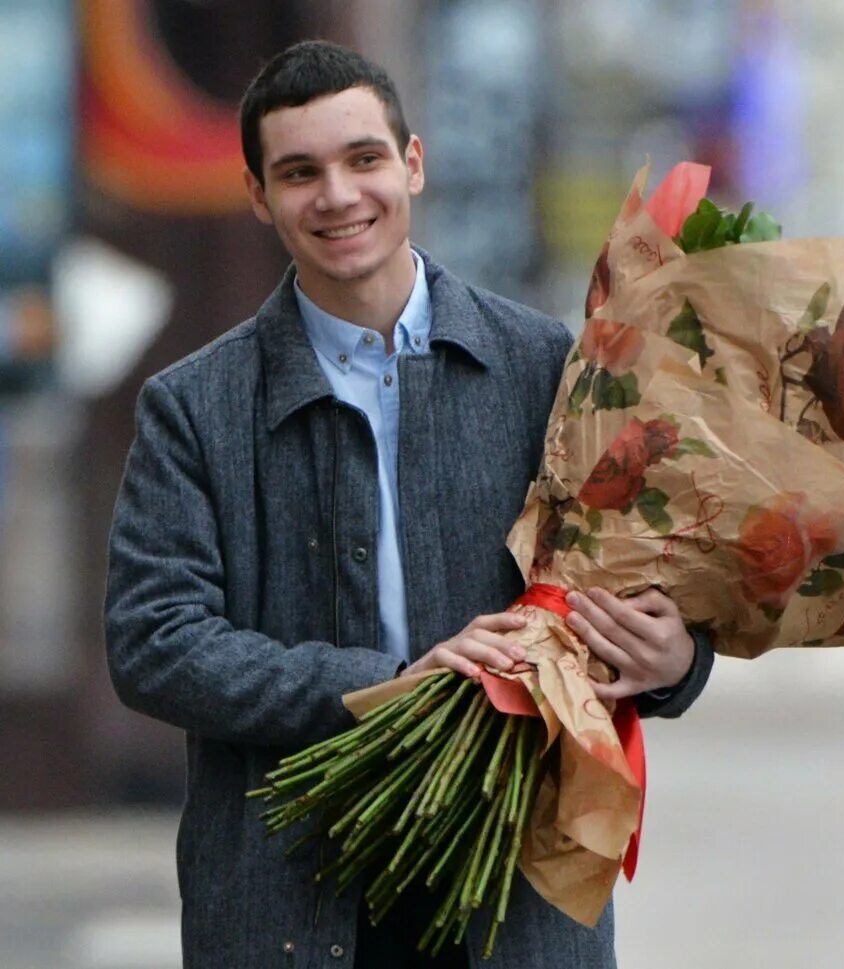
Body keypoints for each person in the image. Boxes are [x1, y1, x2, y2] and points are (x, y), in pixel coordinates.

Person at [104, 40, 712, 969]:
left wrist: (676, 661)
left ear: (412, 164)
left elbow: (638, 575)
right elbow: (154, 641)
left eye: (363, 160)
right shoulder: (195, 406)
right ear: (260, 196)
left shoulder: (544, 365)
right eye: (300, 173)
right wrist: (385, 683)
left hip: (511, 892)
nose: (338, 196)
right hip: (286, 896)